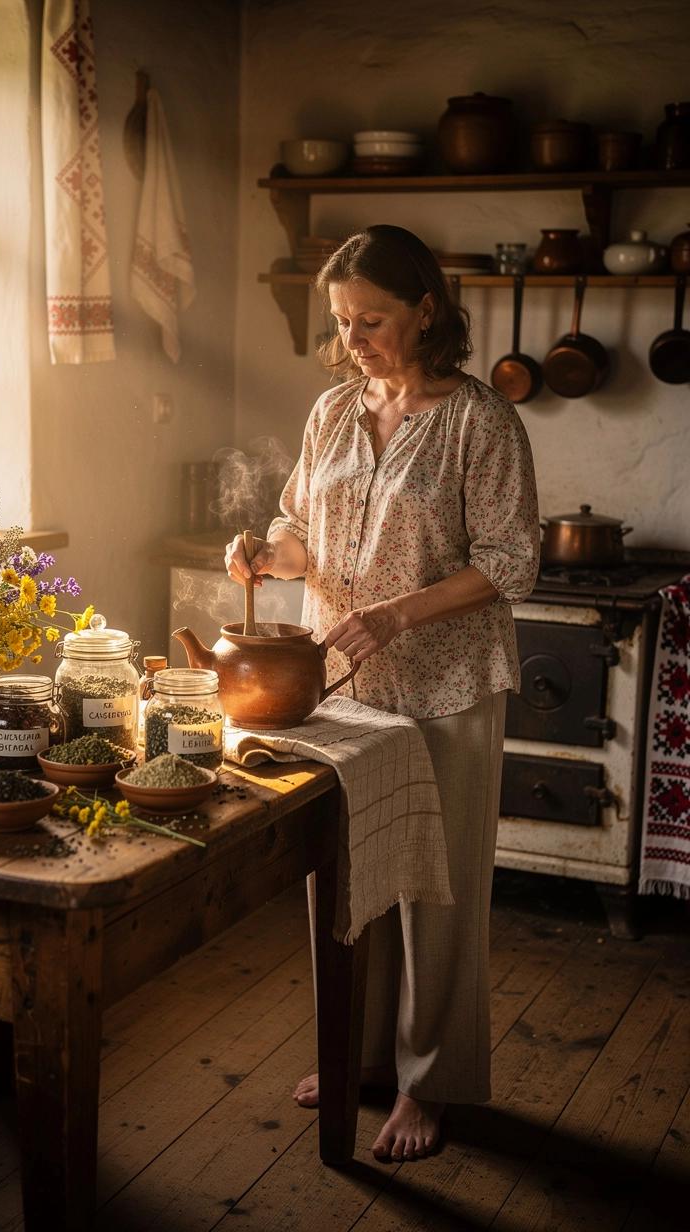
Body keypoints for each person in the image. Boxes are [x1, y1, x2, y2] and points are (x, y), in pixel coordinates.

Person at [225, 224, 539, 1163]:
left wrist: (401, 612)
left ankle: (428, 1081)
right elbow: (299, 527)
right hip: (345, 683)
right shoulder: (332, 413)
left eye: (371, 320)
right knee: (351, 878)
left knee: (435, 893)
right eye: (342, 321)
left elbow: (510, 563)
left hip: (446, 685)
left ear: (426, 312)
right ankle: (356, 1054)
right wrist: (265, 553)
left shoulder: (482, 422)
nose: (353, 338)